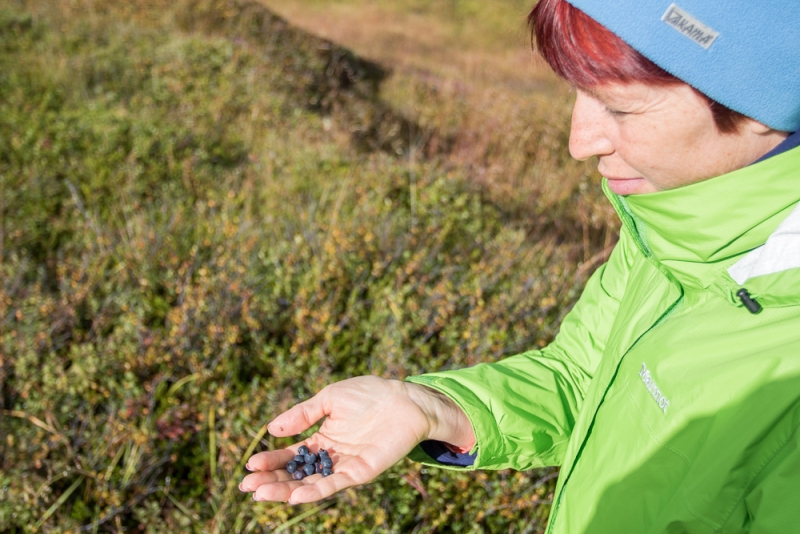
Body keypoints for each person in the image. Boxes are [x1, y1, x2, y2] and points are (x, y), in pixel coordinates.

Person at [240, 0, 800, 531]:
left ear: (761, 108)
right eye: (580, 93)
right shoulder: (674, 233)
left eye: (621, 106)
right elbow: (586, 377)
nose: (580, 142)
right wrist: (434, 409)